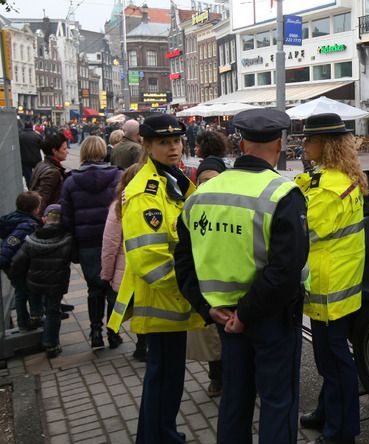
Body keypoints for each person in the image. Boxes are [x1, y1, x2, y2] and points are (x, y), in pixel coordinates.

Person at [175, 108, 309, 444]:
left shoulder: (201, 195)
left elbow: (183, 261)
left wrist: (208, 310)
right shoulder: (283, 193)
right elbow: (286, 270)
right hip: (271, 320)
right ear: (281, 142)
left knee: (235, 402)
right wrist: (247, 314)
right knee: (278, 402)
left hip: (225, 318)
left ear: (242, 142)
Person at [107, 114, 204, 444]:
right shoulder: (145, 192)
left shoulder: (172, 180)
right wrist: (190, 288)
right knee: (164, 378)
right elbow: (149, 259)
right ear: (146, 146)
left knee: (168, 378)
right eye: (164, 142)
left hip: (172, 300)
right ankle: (159, 437)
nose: (174, 147)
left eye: (177, 141)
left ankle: (158, 434)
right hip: (164, 301)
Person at [294, 113, 368, 444]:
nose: (303, 145)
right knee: (331, 357)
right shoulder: (339, 177)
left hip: (328, 284)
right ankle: (327, 412)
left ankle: (341, 432)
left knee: (334, 361)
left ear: (325, 145)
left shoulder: (327, 188)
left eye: (308, 140)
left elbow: (305, 231)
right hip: (341, 280)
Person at [61, 136, 122, 349]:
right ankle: (114, 332)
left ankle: (95, 331)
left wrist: (74, 245)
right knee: (114, 288)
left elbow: (67, 217)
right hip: (114, 240)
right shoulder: (118, 176)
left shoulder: (70, 181)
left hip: (87, 241)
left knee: (94, 289)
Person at [184, 131, 228, 397]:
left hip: (221, 282)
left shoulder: (227, 202)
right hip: (210, 281)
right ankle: (218, 378)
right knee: (214, 336)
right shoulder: (194, 206)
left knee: (221, 336)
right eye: (201, 182)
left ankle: (222, 379)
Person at [10, 204, 73, 358]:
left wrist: (18, 279)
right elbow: (76, 257)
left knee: (36, 299)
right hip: (56, 283)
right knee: (53, 311)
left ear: (45, 219)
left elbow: (17, 263)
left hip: (34, 282)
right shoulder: (68, 239)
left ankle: (34, 317)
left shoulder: (31, 239)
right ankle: (51, 344)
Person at [100, 164, 147, 361]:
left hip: (125, 268)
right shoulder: (152, 203)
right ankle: (143, 345)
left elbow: (110, 243)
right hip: (148, 267)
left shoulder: (119, 205)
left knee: (120, 302)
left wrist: (106, 273)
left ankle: (114, 333)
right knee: (144, 307)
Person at [0, 191, 42, 331]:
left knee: (20, 292)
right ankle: (33, 318)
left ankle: (24, 322)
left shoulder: (12, 219)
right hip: (20, 266)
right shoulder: (27, 225)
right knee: (30, 290)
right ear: (35, 209)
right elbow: (10, 245)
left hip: (14, 265)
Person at [29, 133, 69, 214]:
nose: (67, 152)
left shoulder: (41, 164)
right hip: (50, 216)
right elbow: (41, 200)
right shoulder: (52, 172)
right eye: (64, 149)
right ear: (54, 151)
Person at [19, 122, 43, 188]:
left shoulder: (20, 136)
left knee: (28, 177)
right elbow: (43, 145)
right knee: (38, 174)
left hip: (25, 160)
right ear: (32, 126)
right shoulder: (37, 135)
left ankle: (30, 189)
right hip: (36, 158)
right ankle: (38, 187)